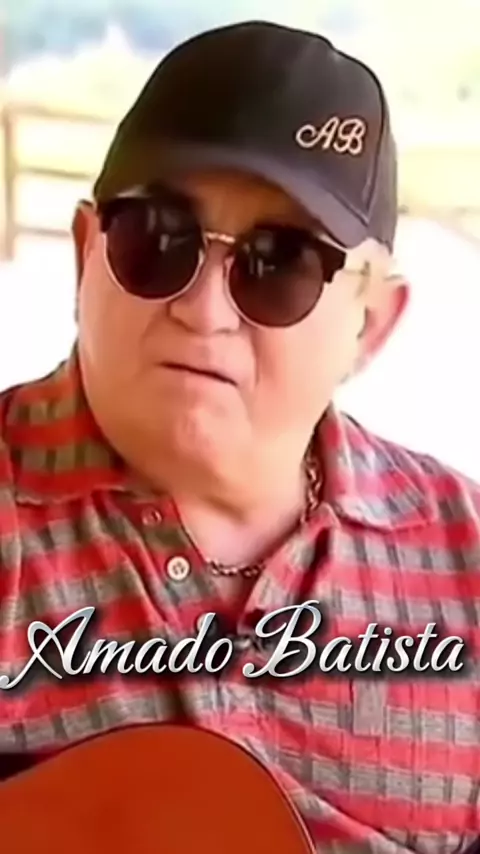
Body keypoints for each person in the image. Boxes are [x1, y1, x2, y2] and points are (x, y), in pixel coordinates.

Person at [0, 18, 479, 854]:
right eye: (157, 237)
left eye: (280, 262)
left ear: (370, 324)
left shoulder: (465, 561)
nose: (204, 308)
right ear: (85, 256)